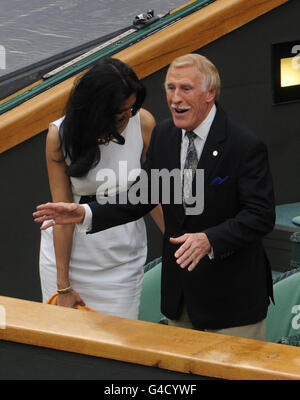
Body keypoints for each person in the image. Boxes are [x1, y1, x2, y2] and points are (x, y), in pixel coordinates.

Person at [34, 53, 275, 340]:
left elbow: (260, 215)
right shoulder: (165, 134)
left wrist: (209, 239)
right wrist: (86, 213)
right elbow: (144, 195)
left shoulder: (244, 144)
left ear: (210, 93)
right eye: (170, 88)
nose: (175, 98)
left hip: (232, 301)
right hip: (180, 300)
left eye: (185, 89)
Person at [38, 57, 164, 319]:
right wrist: (64, 285)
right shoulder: (59, 135)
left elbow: (155, 194)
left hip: (122, 258)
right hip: (69, 256)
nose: (128, 117)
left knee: (118, 344)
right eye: (119, 115)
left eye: (131, 109)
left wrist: (180, 241)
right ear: (96, 112)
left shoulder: (144, 123)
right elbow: (63, 216)